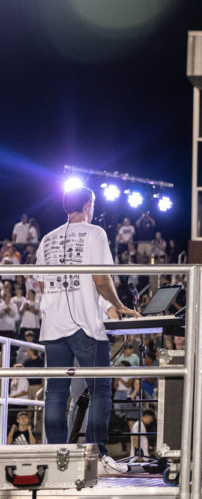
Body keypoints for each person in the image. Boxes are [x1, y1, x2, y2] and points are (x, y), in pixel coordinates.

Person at [36, 185, 140, 474]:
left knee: (56, 392)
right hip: (85, 327)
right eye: (92, 203)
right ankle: (97, 456)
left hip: (53, 326)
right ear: (87, 206)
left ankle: (58, 460)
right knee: (100, 389)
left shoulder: (46, 238)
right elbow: (101, 279)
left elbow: (42, 285)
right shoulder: (95, 233)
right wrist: (118, 306)